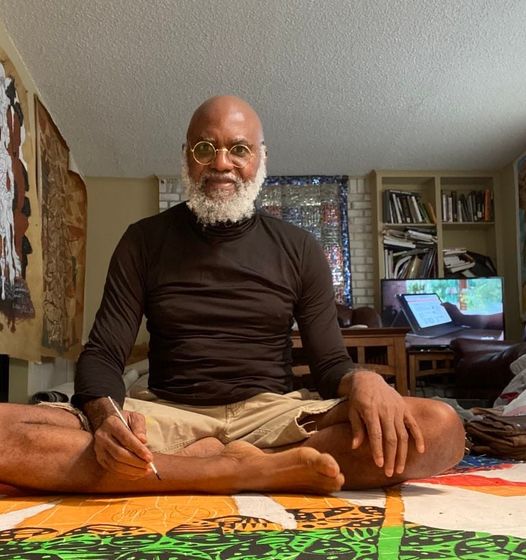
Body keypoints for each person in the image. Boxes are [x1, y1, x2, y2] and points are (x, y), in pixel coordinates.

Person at [0, 95, 465, 495]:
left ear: (261, 158)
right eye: (206, 148)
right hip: (167, 414)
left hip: (275, 417)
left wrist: (365, 381)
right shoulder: (143, 240)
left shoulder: (300, 247)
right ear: (187, 156)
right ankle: (246, 471)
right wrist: (106, 420)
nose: (221, 163)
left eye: (238, 149)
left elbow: (328, 367)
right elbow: (103, 354)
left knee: (440, 429)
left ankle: (192, 472)